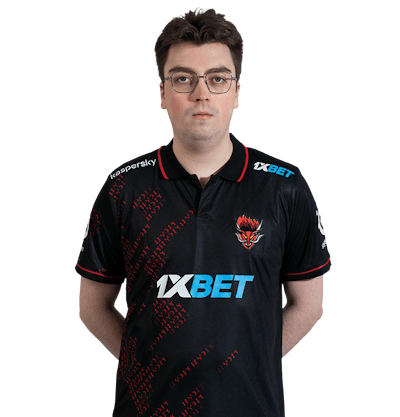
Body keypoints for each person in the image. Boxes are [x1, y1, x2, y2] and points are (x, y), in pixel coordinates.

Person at [77, 8, 331, 417]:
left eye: (217, 78)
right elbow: (92, 307)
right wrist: (146, 368)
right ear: (162, 93)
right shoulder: (124, 188)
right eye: (183, 79)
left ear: (236, 92)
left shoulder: (284, 186)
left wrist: (251, 363)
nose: (201, 93)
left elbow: (310, 304)